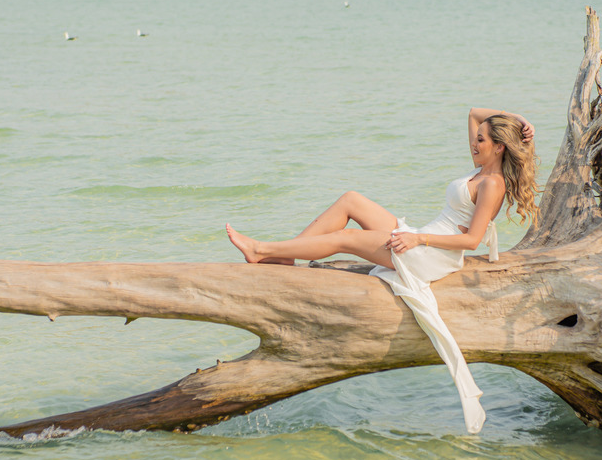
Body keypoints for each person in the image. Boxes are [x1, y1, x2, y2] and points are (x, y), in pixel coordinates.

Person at [226, 108, 539, 433]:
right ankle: (288, 256)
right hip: (422, 237)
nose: (474, 143)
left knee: (346, 238)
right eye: (476, 138)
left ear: (499, 147)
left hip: (430, 253)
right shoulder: (480, 168)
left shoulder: (493, 183)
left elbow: (472, 240)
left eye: (481, 140)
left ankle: (261, 250)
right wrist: (520, 120)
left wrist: (417, 239)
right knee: (351, 200)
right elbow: (474, 113)